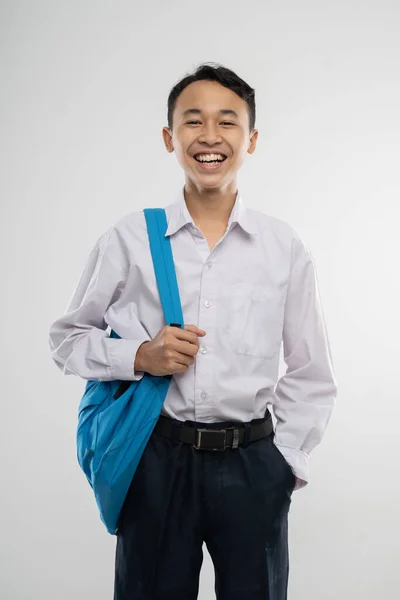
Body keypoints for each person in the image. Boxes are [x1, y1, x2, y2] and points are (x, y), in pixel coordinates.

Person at [49, 62, 337, 600]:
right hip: (157, 460)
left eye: (227, 122)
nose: (210, 136)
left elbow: (311, 369)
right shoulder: (131, 238)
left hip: (255, 463)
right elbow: (66, 340)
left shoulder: (283, 247)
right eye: (192, 121)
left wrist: (284, 465)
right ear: (169, 137)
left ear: (251, 139)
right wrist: (140, 356)